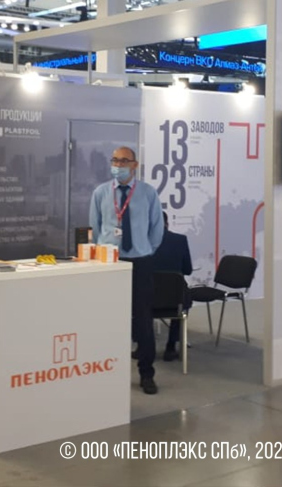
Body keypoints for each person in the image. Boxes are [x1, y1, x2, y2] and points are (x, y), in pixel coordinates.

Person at [89, 146, 164, 395]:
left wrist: (145, 250)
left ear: (134, 165)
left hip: (140, 262)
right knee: (108, 318)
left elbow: (156, 229)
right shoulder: (101, 192)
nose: (118, 165)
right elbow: (95, 228)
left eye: (123, 161)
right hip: (110, 263)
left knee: (143, 320)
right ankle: (107, 372)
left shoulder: (148, 193)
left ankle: (146, 374)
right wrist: (105, 250)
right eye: (115, 160)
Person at [152, 211, 193, 361]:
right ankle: (171, 347)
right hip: (175, 300)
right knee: (182, 301)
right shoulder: (180, 240)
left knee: (137, 302)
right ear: (167, 224)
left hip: (148, 300)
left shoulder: (141, 243)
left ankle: (143, 347)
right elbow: (187, 270)